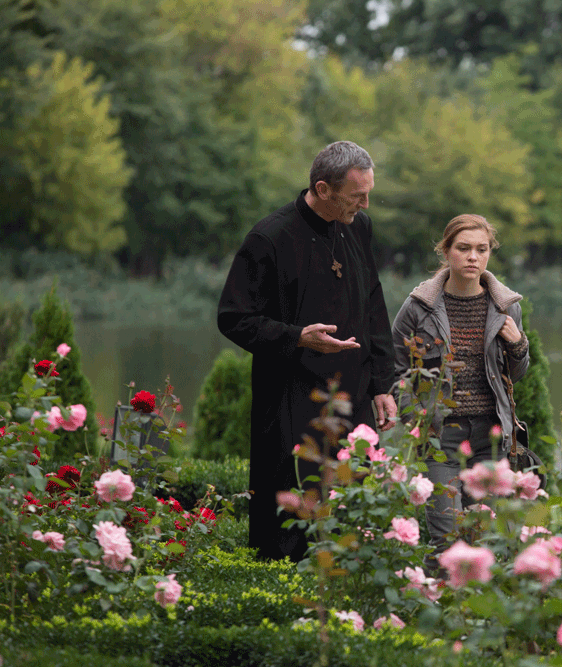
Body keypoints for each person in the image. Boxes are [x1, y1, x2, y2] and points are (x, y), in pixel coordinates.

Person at [218, 141, 397, 561]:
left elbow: (373, 304)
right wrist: (297, 336)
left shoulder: (358, 226)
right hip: (290, 398)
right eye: (357, 196)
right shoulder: (269, 238)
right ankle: (282, 601)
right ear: (322, 188)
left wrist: (382, 384)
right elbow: (233, 318)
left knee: (354, 501)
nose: (366, 204)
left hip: (352, 392)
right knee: (289, 515)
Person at [391, 214, 529, 556]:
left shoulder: (506, 306)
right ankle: (442, 604)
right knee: (446, 540)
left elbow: (517, 374)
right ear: (446, 252)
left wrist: (518, 345)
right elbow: (396, 371)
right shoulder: (418, 307)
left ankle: (485, 610)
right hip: (441, 439)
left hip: (490, 439)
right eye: (463, 248)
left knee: (492, 539)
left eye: (482, 250)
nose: (473, 257)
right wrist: (416, 419)